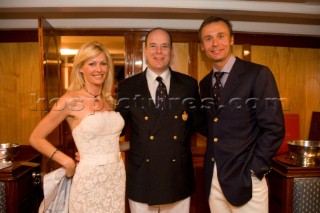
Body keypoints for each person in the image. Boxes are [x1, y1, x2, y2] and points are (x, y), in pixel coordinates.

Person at [198, 16, 285, 212]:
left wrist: (255, 170)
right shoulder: (204, 84)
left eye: (221, 36)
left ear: (231, 39)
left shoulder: (257, 74)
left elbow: (274, 128)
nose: (215, 43)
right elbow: (213, 125)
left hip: (247, 181)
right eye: (208, 38)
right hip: (214, 180)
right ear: (202, 46)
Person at [115, 28, 206, 212]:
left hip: (177, 176)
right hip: (142, 176)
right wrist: (94, 150)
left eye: (164, 46)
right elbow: (116, 129)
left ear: (171, 52)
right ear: (145, 50)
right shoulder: (127, 87)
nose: (159, 52)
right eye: (153, 46)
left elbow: (202, 124)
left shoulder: (188, 85)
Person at [29, 41, 126, 213]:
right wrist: (66, 161)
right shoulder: (70, 100)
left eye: (103, 63)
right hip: (89, 180)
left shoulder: (110, 100)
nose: (99, 69)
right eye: (92, 64)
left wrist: (139, 143)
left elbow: (109, 144)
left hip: (116, 177)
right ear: (80, 68)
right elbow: (36, 138)